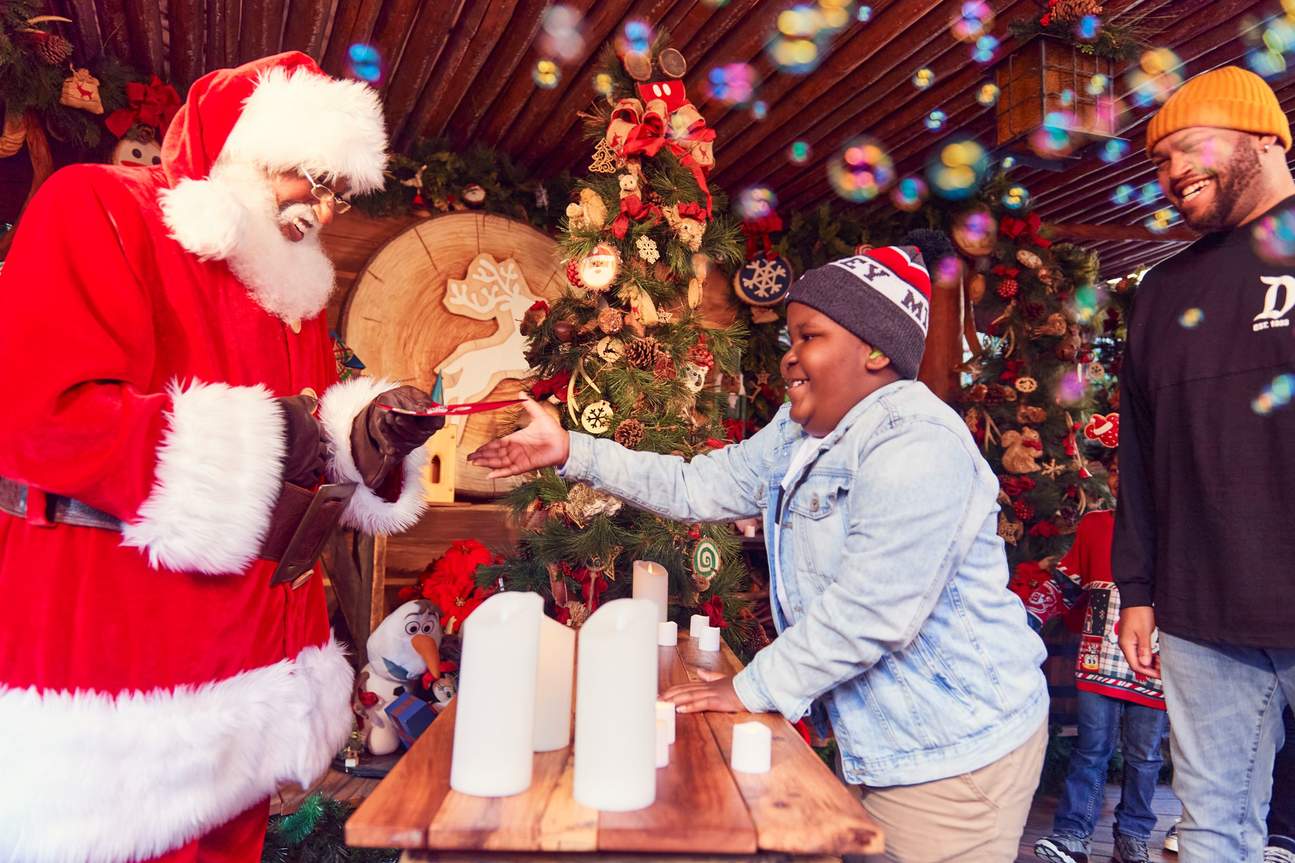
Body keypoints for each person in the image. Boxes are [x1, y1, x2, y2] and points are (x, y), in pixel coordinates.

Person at [471, 234, 1050, 862]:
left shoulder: (918, 445)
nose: (789, 357)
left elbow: (871, 614)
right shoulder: (799, 430)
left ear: (877, 349)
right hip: (886, 741)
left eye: (810, 337)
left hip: (952, 753)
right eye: (790, 339)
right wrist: (573, 451)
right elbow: (698, 485)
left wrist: (749, 689)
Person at [0, 52, 444, 863]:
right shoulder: (97, 205)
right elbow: (37, 415)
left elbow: (307, 458)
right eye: (311, 174)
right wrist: (284, 435)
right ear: (242, 146)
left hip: (254, 669)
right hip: (121, 677)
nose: (326, 204)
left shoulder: (292, 296)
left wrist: (368, 439)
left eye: (339, 187)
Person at [1114, 65, 1295, 863]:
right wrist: (1138, 590)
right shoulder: (1159, 291)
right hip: (1199, 620)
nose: (1172, 170)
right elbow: (1141, 455)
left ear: (1265, 139)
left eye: (1191, 146)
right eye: (1160, 159)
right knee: (1211, 833)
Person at [1021, 455, 1169, 863]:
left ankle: (1133, 836)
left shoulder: (1176, 531)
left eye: (1132, 467)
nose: (1122, 478)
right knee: (1092, 748)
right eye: (1117, 469)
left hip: (1154, 660)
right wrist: (1027, 616)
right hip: (1098, 658)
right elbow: (1067, 582)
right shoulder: (1096, 525)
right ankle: (1073, 836)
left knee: (1145, 756)